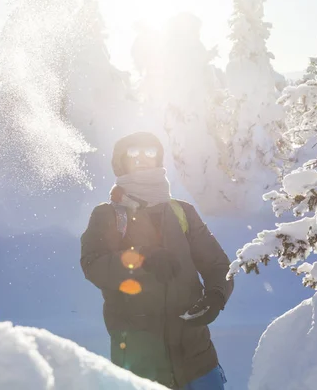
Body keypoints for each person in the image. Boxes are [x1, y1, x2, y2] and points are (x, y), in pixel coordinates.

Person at [81, 132, 234, 389]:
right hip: (140, 362)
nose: (142, 158)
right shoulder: (107, 215)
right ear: (121, 162)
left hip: (197, 356)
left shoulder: (182, 212)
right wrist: (141, 258)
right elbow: (93, 265)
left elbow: (217, 264)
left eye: (150, 152)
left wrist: (217, 295)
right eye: (133, 153)